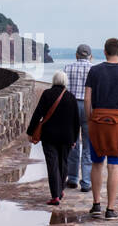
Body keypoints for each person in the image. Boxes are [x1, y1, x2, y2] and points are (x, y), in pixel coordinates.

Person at [84, 37, 118, 219]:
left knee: (97, 164)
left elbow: (88, 99)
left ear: (104, 52)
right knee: (114, 167)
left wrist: (90, 118)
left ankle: (96, 204)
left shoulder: (94, 71)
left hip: (97, 121)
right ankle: (110, 209)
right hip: (117, 122)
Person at [27, 71, 81, 205]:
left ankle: (55, 196)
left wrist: (30, 131)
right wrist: (74, 139)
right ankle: (60, 189)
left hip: (49, 136)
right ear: (65, 82)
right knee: (63, 163)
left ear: (54, 80)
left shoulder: (47, 94)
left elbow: (37, 114)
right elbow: (76, 121)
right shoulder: (71, 97)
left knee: (52, 165)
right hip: (66, 137)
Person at [63, 44, 94, 191]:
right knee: (88, 144)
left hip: (71, 106)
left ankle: (73, 178)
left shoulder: (67, 68)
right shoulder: (94, 70)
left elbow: (63, 90)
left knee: (73, 143)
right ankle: (86, 182)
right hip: (89, 107)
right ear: (90, 56)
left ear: (76, 55)